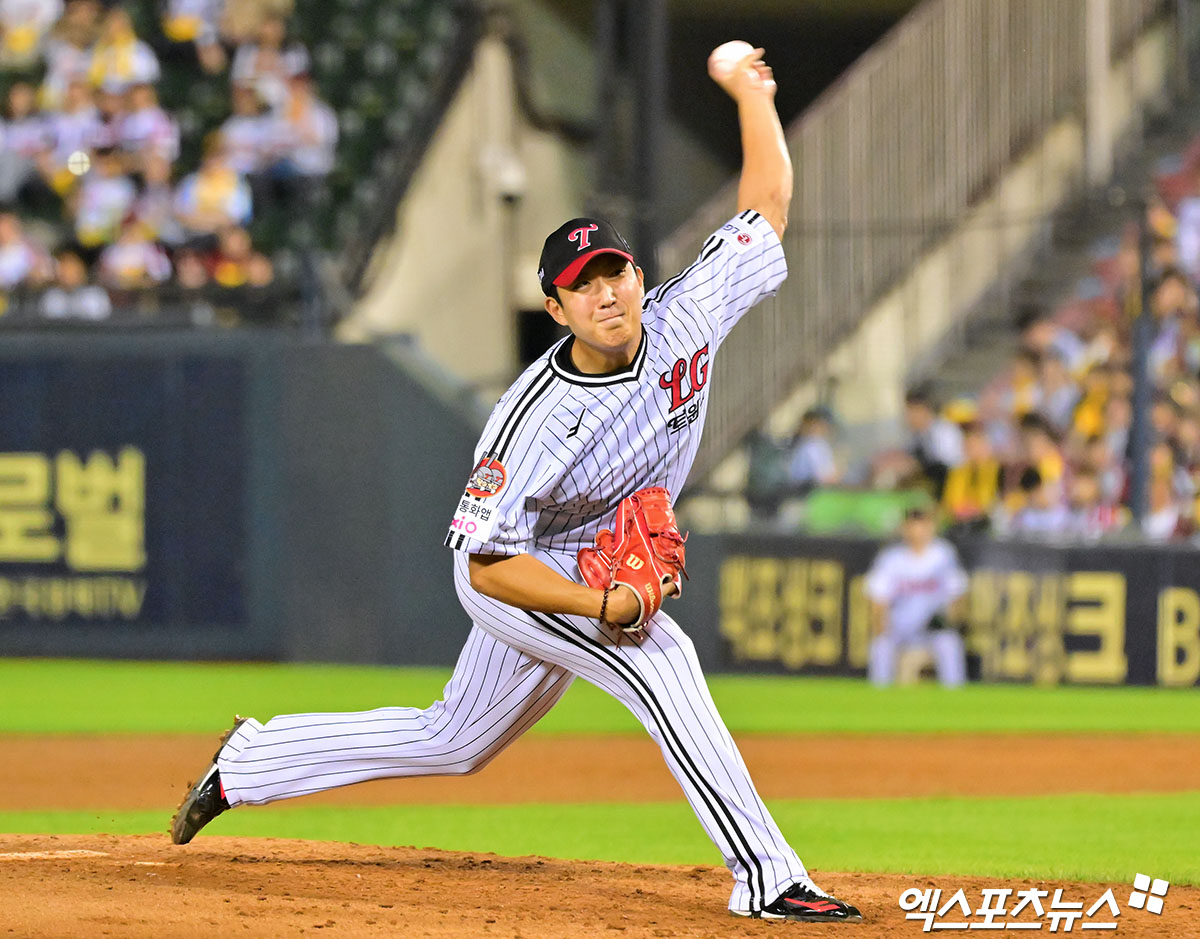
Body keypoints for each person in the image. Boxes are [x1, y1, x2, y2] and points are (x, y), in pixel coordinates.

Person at [170, 45, 863, 925]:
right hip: (522, 566)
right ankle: (766, 876)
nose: (606, 293)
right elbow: (486, 565)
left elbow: (767, 205)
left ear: (638, 276)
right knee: (663, 662)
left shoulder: (687, 313)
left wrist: (750, 94)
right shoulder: (534, 419)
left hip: (589, 557)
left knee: (456, 739)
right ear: (557, 310)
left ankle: (251, 760)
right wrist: (600, 604)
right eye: (583, 285)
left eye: (615, 272)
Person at [866, 505, 968, 688]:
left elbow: (957, 594)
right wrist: (881, 628)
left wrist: (950, 622)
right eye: (913, 525)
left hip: (931, 629)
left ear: (931, 527)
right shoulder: (891, 558)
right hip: (899, 627)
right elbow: (878, 600)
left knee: (950, 643)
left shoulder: (943, 555)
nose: (918, 531)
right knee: (881, 646)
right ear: (905, 528)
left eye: (923, 525)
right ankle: (879, 696)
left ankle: (955, 695)